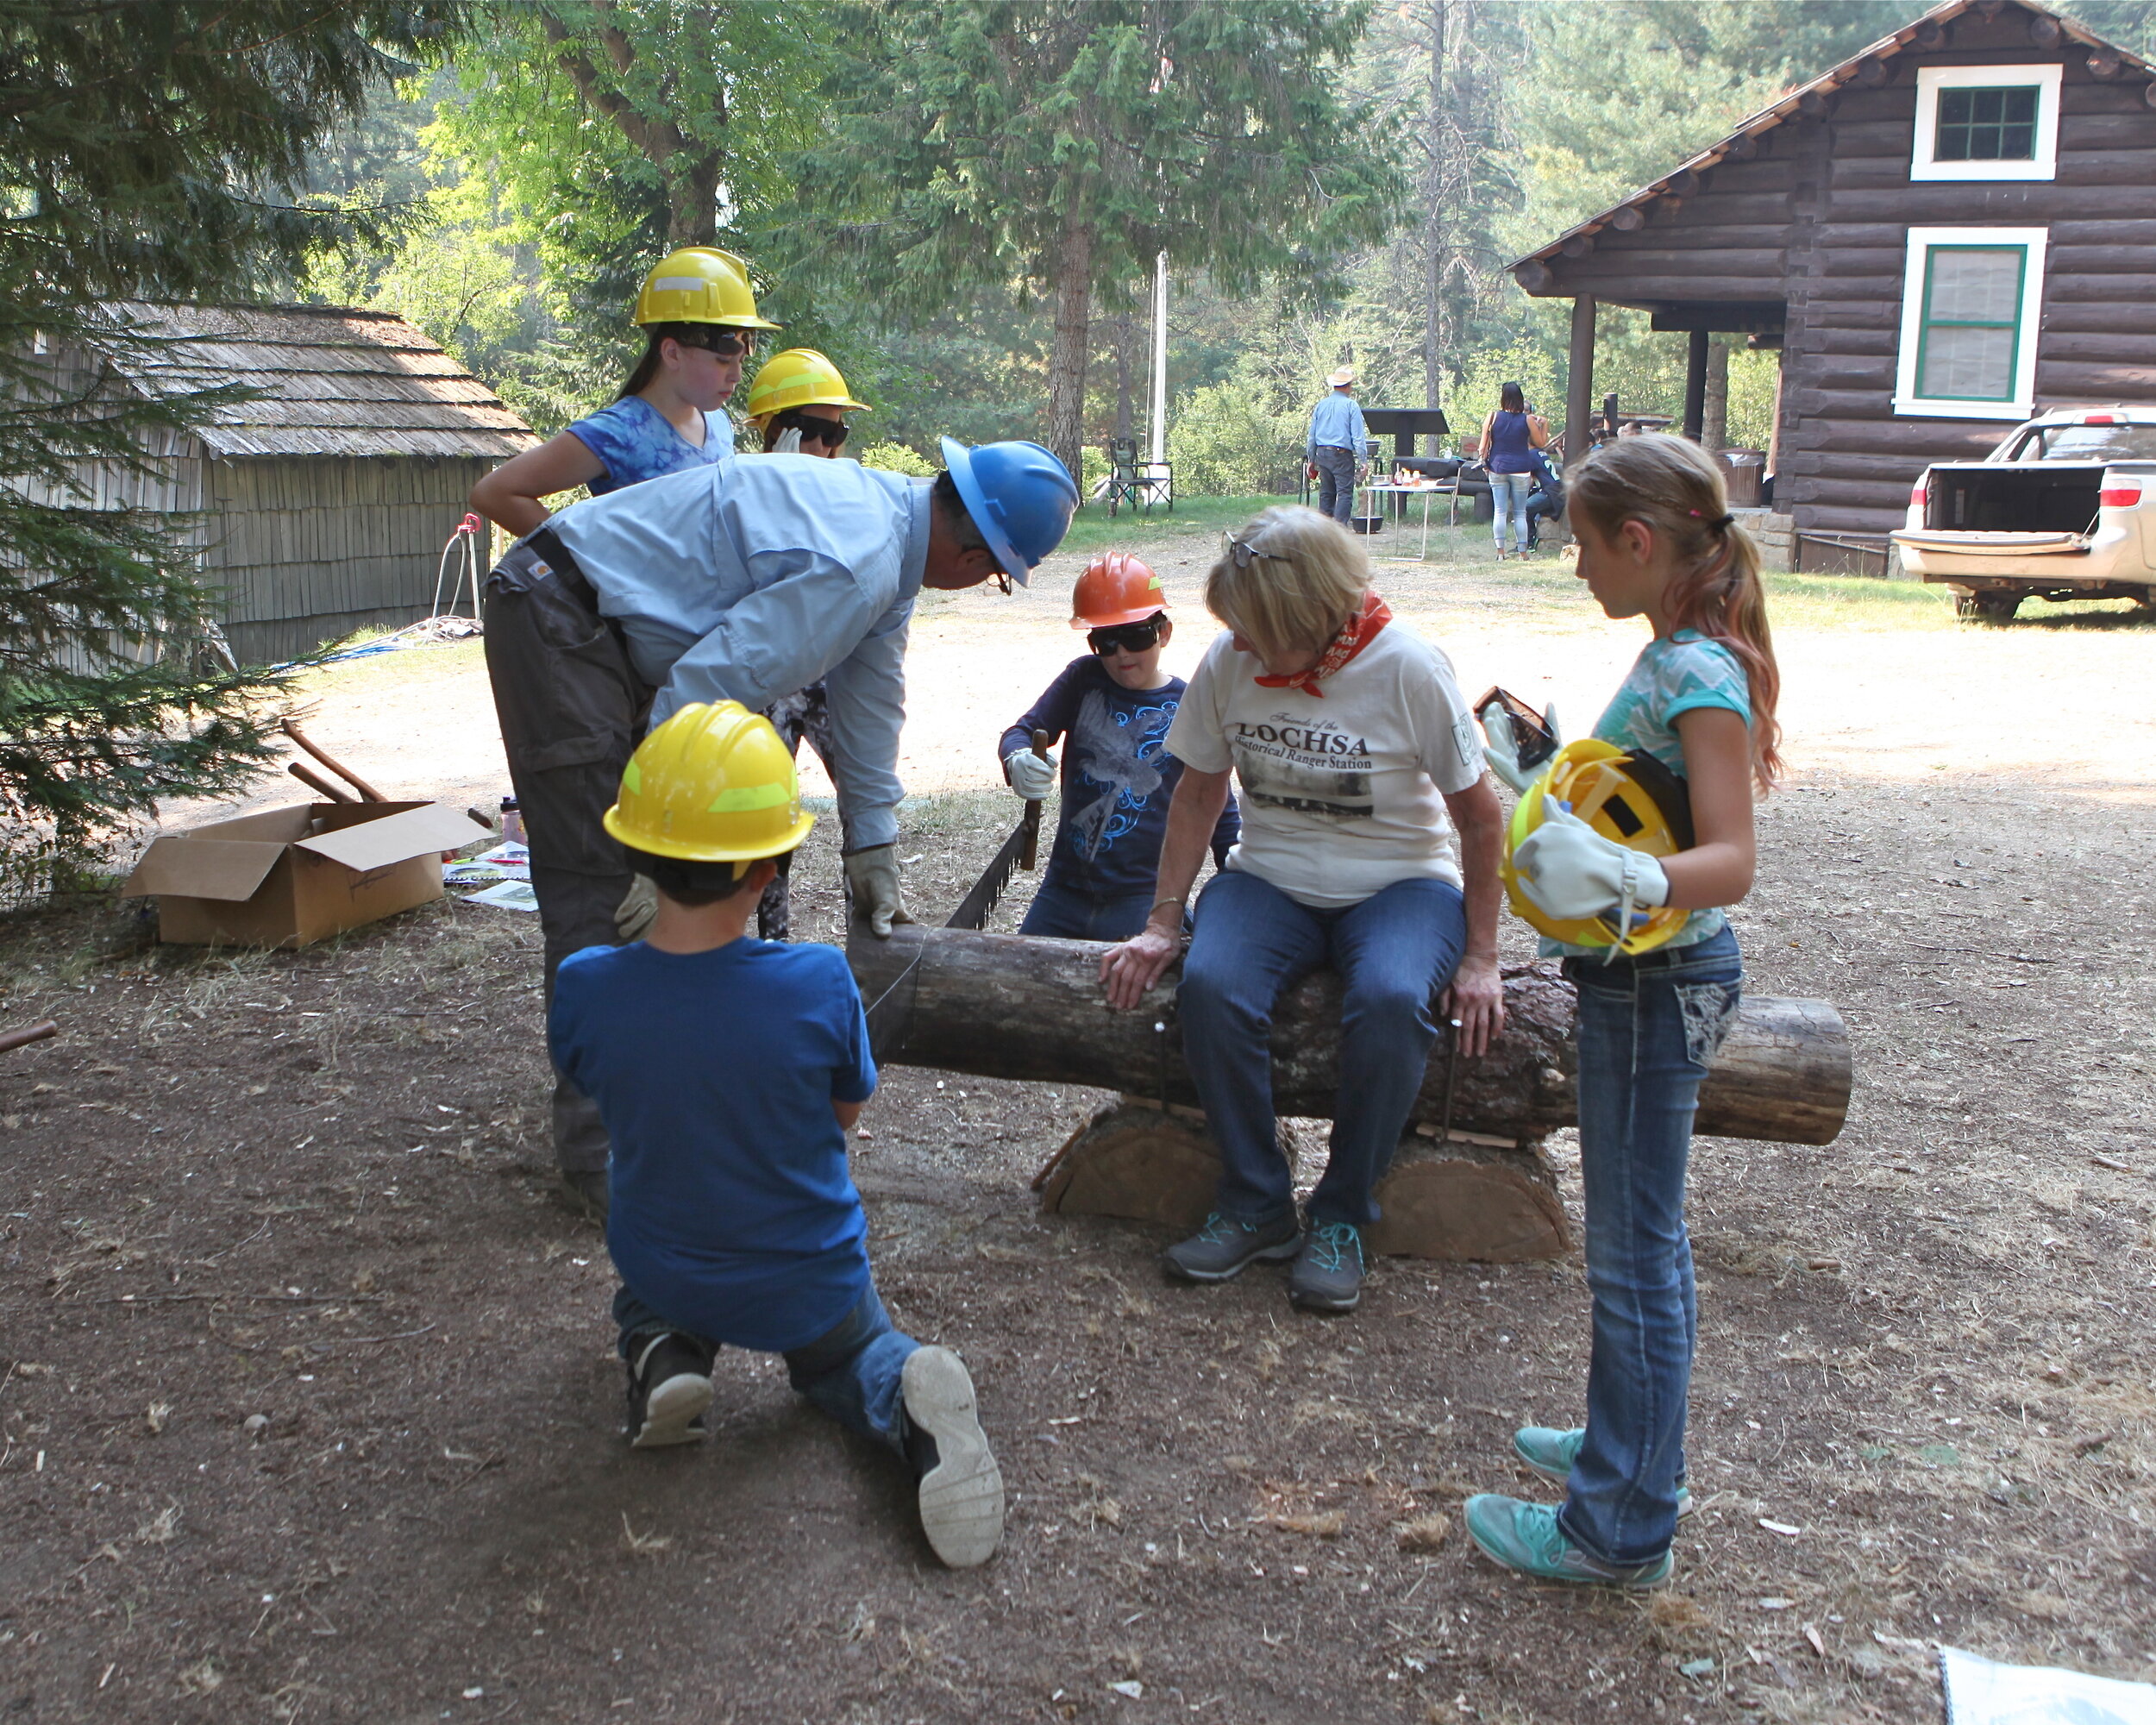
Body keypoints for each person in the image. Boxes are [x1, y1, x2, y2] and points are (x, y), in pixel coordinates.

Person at [484, 437, 1079, 1220]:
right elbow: (706, 689)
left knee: (657, 899)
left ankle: (663, 1123)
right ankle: (607, 1164)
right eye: (998, 578)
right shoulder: (857, 563)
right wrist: (647, 850)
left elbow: (871, 705)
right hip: (558, 614)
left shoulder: (889, 543)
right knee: (604, 889)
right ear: (975, 558)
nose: (981, 586)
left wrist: (873, 844)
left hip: (605, 628)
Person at [550, 700, 1005, 1568]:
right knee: (852, 1357)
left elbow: (603, 1086)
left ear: (637, 852)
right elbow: (840, 1115)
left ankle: (664, 1354)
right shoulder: (817, 978)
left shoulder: (585, 985)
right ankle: (903, 1402)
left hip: (668, 1260)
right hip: (809, 1279)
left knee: (645, 1290)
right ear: (767, 867)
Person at [1463, 433, 1781, 1589]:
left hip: (1656, 984)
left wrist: (1638, 882)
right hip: (1637, 980)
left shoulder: (1696, 672)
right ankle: (1628, 1451)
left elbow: (1731, 860)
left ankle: (1617, 1528)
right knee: (1645, 1248)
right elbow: (1647, 800)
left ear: (1639, 545)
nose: (1577, 565)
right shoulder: (1677, 653)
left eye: (1583, 545)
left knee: (1633, 1258)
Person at [1097, 505, 1507, 1315]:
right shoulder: (1230, 660)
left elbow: (1481, 817)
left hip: (1401, 883)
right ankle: (1256, 1200)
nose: (1238, 643)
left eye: (1255, 629)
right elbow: (1199, 793)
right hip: (1271, 878)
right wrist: (1162, 921)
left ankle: (1343, 1213)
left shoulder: (1409, 669)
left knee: (1392, 999)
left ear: (1311, 619)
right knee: (1211, 986)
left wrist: (1483, 955)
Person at [997, 553, 1240, 942]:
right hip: (1063, 891)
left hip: (1142, 896)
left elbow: (1220, 811)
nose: (1122, 654)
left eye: (1136, 636)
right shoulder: (1083, 679)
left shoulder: (1190, 703)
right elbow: (1022, 731)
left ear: (1164, 632)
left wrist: (1236, 893)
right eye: (1105, 642)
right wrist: (1017, 756)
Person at [469, 248, 777, 536]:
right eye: (724, 361)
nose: (736, 375)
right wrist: (588, 564)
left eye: (740, 360)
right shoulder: (619, 432)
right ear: (672, 353)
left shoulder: (719, 424)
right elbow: (495, 493)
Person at [736, 348, 875, 940]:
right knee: (765, 822)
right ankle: (770, 947)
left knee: (864, 808)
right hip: (766, 682)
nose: (824, 446)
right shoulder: (736, 491)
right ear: (773, 432)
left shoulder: (851, 492)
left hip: (830, 678)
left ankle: (871, 938)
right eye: (810, 431)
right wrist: (774, 496)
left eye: (835, 431)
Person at [743, 346, 870, 456]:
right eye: (809, 430)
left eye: (831, 434)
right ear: (776, 428)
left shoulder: (845, 482)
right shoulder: (746, 481)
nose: (818, 447)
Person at [1481, 381, 1551, 561]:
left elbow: (1483, 446)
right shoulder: (1527, 420)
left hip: (1498, 467)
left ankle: (1500, 552)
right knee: (1520, 512)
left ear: (1503, 398)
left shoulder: (1493, 417)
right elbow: (1541, 443)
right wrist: (1545, 425)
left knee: (1500, 511)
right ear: (1520, 398)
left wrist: (1484, 463)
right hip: (1521, 468)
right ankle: (1522, 553)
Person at [1305, 367, 1369, 530]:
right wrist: (1363, 460)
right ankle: (1340, 530)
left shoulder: (1321, 405)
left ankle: (1323, 531)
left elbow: (1312, 436)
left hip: (1322, 454)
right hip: (1342, 455)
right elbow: (1358, 437)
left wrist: (1311, 460)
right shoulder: (1351, 406)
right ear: (1347, 386)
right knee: (1344, 492)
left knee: (1326, 492)